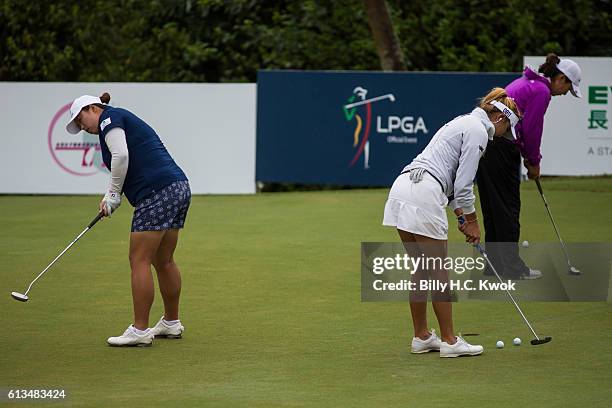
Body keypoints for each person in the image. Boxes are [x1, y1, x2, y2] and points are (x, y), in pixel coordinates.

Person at [383, 88, 521, 357]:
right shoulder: (479, 131)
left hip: (402, 187)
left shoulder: (461, 121)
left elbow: (453, 184)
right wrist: (472, 221)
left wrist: (460, 216)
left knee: (422, 269)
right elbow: (464, 184)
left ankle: (422, 337)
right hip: (424, 192)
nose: (504, 135)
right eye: (507, 128)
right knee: (438, 273)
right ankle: (449, 340)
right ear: (499, 119)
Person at [66, 93, 190, 347]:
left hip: (157, 192)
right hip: (177, 187)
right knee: (163, 260)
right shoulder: (117, 117)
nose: (82, 128)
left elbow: (121, 156)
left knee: (139, 259)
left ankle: (140, 330)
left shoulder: (109, 118)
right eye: (78, 126)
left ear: (92, 108)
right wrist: (113, 197)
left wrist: (112, 194)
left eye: (81, 120)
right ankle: (170, 323)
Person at [477, 54, 582, 279]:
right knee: (508, 210)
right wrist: (533, 161)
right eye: (568, 88)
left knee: (493, 209)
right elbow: (532, 130)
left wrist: (527, 156)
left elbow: (523, 127)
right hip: (502, 148)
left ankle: (494, 267)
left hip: (486, 146)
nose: (565, 93)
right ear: (561, 78)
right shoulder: (541, 91)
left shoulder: (526, 82)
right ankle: (512, 269)